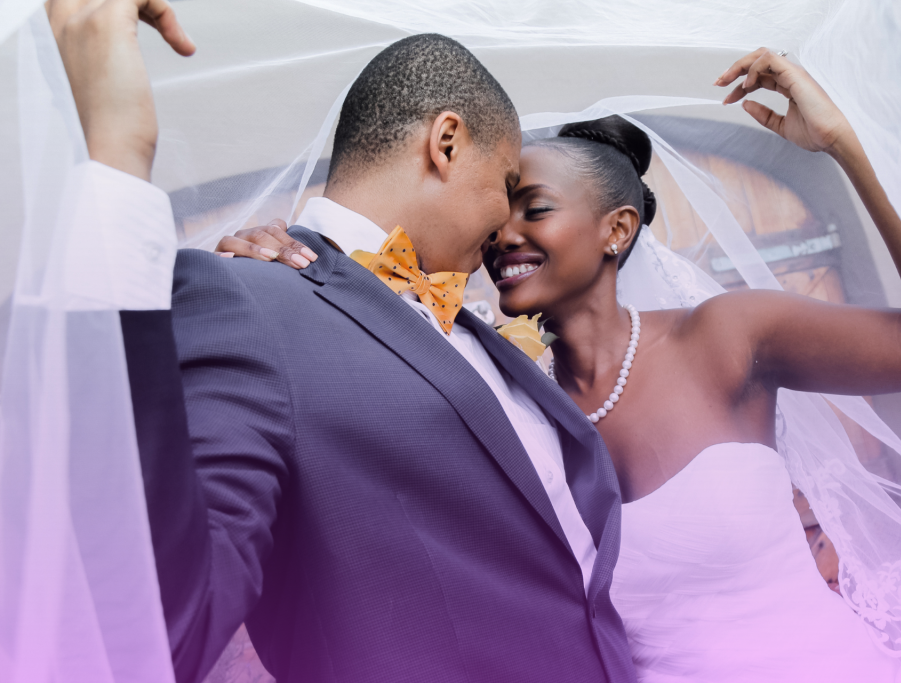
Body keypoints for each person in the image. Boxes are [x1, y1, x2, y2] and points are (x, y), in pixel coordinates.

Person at [237, 51, 901, 681]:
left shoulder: (730, 335)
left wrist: (844, 146)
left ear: (617, 229)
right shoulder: (499, 395)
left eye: (535, 208)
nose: (501, 232)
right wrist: (278, 265)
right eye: (501, 208)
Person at [47, 1, 636, 681]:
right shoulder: (246, 300)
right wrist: (117, 160)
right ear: (446, 143)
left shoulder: (477, 328)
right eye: (507, 186)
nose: (506, 225)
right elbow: (159, 625)